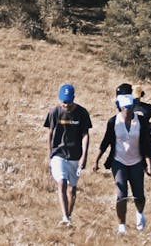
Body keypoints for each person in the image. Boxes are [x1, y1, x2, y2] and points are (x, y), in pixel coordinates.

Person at [94, 93, 151, 234]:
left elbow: (146, 144)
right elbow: (105, 142)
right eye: (125, 108)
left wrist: (149, 164)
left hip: (137, 161)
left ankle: (140, 213)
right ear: (120, 108)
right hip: (118, 161)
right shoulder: (112, 122)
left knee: (138, 194)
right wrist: (97, 160)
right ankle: (122, 225)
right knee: (122, 194)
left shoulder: (140, 121)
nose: (128, 110)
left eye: (130, 107)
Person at [43, 83, 91, 225]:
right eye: (64, 102)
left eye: (68, 102)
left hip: (75, 155)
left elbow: (85, 135)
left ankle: (68, 217)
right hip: (58, 153)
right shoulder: (54, 112)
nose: (66, 105)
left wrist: (84, 156)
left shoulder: (82, 113)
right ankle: (64, 217)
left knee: (72, 189)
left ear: (73, 99)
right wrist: (49, 154)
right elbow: (50, 134)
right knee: (62, 182)